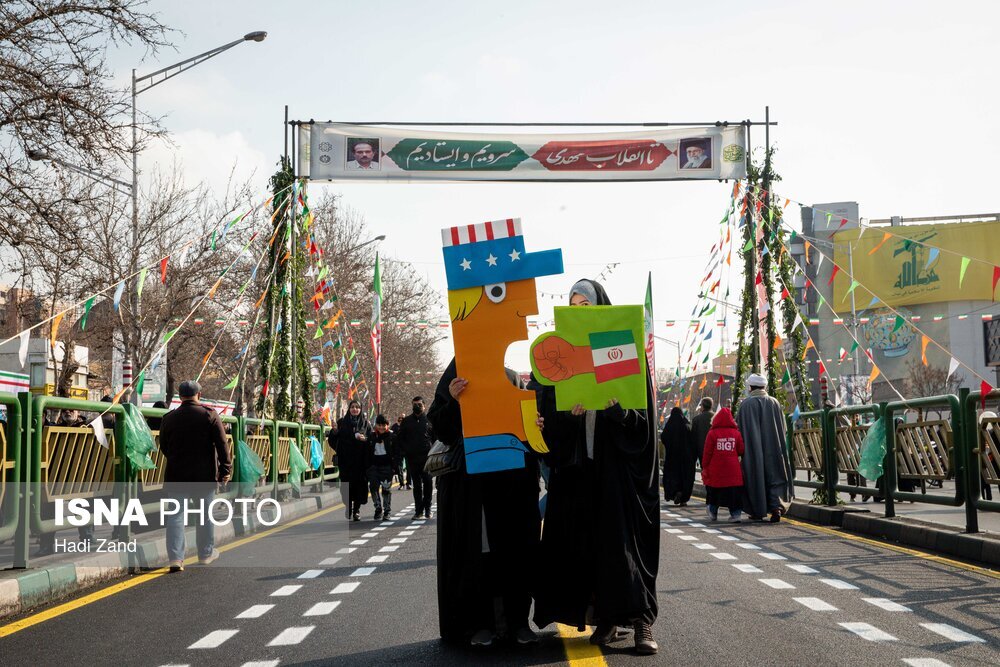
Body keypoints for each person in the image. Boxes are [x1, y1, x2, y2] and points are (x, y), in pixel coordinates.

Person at [532, 279, 659, 656]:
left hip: (617, 473)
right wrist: (557, 422)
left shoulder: (621, 350)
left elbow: (644, 426)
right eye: (573, 305)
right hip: (580, 473)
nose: (578, 310)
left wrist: (618, 414)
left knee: (624, 547)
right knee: (589, 546)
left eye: (584, 304)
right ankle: (604, 617)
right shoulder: (562, 356)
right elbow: (552, 426)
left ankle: (641, 622)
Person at [428, 360, 541, 648]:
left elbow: (526, 430)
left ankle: (517, 622)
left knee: (515, 551)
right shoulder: (455, 376)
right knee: (479, 552)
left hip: (512, 484)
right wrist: (453, 402)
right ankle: (480, 623)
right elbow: (441, 429)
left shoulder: (513, 378)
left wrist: (535, 424)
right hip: (472, 488)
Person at [159, 380, 232, 572]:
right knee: (204, 516)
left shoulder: (169, 418)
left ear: (180, 397)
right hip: (204, 476)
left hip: (176, 475)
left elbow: (164, 446)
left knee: (175, 516)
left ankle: (176, 558)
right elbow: (222, 445)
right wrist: (225, 470)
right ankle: (206, 554)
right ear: (199, 395)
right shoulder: (209, 415)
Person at [736, 373, 794, 522]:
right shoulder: (774, 402)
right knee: (775, 475)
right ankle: (777, 507)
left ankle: (757, 510)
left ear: (750, 387)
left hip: (752, 450)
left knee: (755, 476)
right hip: (774, 447)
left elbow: (739, 429)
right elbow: (784, 428)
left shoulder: (746, 405)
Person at [330, 400, 372, 521]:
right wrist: (334, 432)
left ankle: (356, 510)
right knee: (346, 486)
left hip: (360, 462)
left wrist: (365, 439)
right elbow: (334, 440)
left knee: (359, 486)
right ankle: (348, 506)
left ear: (360, 409)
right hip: (345, 461)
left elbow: (371, 440)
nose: (355, 409)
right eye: (353, 407)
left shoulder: (365, 424)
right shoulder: (342, 423)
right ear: (349, 409)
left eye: (357, 407)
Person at [702, 407, 745, 522]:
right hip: (733, 469)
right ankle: (736, 514)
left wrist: (704, 466)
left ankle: (713, 512)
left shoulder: (712, 433)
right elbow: (741, 450)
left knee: (715, 492)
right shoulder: (736, 433)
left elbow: (707, 452)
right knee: (734, 493)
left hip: (716, 469)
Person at [396, 396, 434, 519]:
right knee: (417, 485)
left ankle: (427, 509)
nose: (417, 407)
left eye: (419, 404)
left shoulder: (429, 420)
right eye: (415, 404)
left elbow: (436, 438)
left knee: (428, 483)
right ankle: (418, 511)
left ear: (424, 406)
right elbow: (400, 438)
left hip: (427, 458)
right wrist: (405, 451)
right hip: (412, 458)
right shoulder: (406, 421)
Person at [661, 407, 695, 506]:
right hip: (686, 457)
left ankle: (675, 492)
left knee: (673, 476)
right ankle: (683, 497)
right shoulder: (686, 424)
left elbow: (663, 437)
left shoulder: (670, 425)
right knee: (685, 476)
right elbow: (693, 439)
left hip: (672, 457)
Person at [367, 415, 396, 520]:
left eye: (384, 425)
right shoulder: (371, 436)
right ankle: (378, 508)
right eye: (379, 425)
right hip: (374, 467)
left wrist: (395, 468)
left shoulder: (392, 437)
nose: (381, 427)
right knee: (373, 488)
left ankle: (387, 511)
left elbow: (397, 453)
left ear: (387, 425)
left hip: (387, 467)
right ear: (376, 425)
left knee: (386, 489)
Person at [690, 397, 715, 469]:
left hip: (701, 450)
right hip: (714, 450)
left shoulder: (696, 419)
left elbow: (693, 438)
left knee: (705, 471)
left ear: (703, 406)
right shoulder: (717, 417)